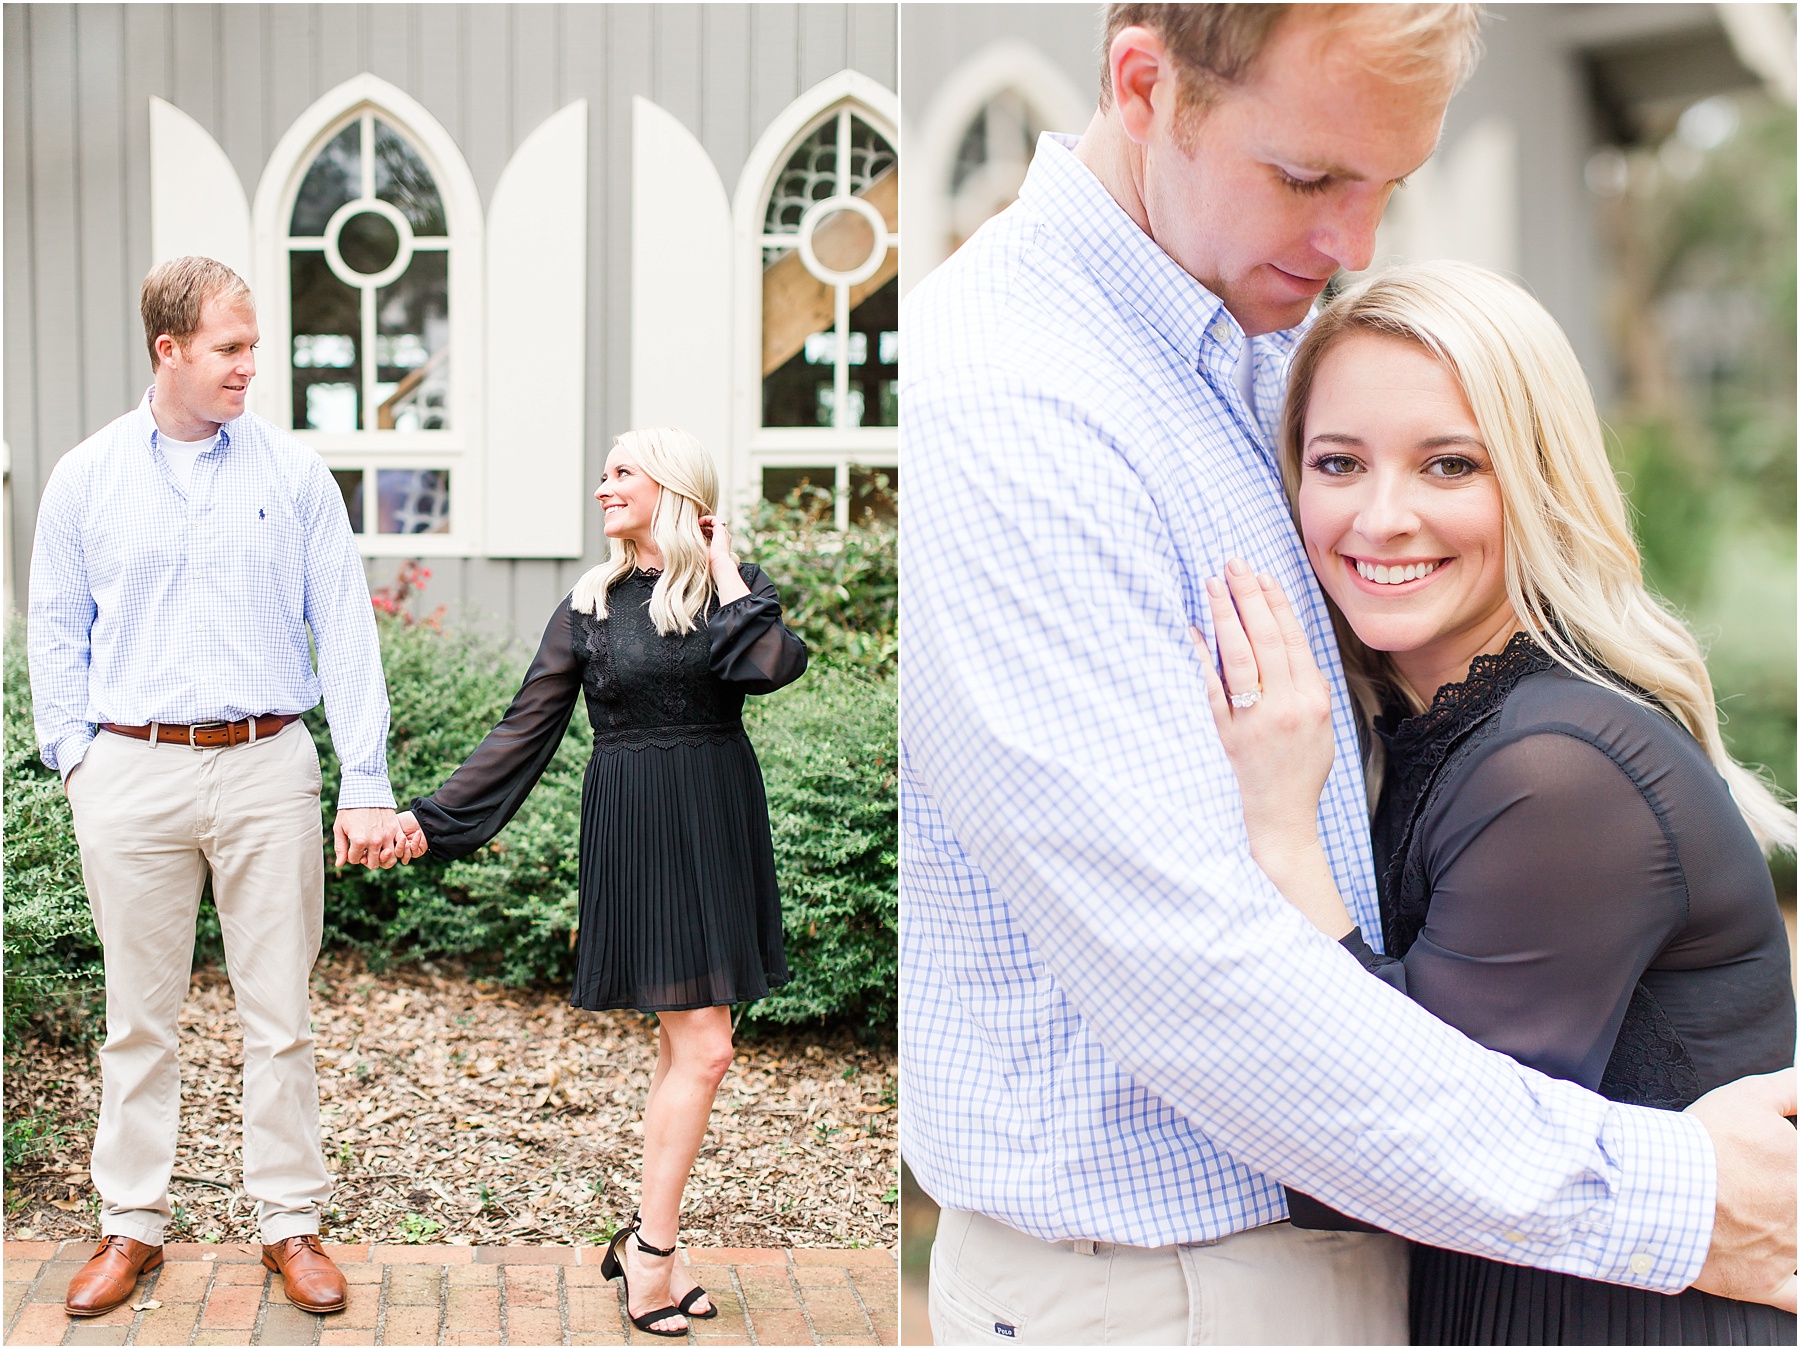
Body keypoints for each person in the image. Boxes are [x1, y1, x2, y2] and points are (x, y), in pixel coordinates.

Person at [899, 5, 1797, 1345]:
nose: (1351, 246)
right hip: (1168, 1294)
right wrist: (1674, 1196)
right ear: (1146, 86)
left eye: (1388, 186)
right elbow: (1188, 977)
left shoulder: (1253, 339)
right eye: (1311, 177)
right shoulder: (1013, 400)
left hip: (1386, 1253)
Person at [1199, 259, 1797, 1345]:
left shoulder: (1560, 770)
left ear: (1536, 475)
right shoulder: (1452, 730)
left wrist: (1285, 832)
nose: (1383, 516)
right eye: (1339, 462)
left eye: (1449, 464)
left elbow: (1377, 1157)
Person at [28, 256, 408, 1320]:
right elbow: (55, 625)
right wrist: (76, 755)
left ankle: (289, 1222)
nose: (253, 366)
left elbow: (344, 624)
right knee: (136, 1017)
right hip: (130, 771)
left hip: (266, 768)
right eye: (231, 348)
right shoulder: (87, 476)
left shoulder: (291, 476)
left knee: (278, 1015)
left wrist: (362, 778)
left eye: (254, 346)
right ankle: (131, 1225)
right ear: (171, 349)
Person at [393, 427, 806, 1337]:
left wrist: (727, 561)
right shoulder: (588, 603)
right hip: (642, 829)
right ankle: (652, 1259)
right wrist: (427, 820)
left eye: (622, 474)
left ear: (672, 487)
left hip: (718, 822)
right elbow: (522, 731)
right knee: (706, 1049)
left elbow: (772, 665)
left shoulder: (728, 597)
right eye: (606, 474)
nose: (603, 488)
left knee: (686, 1049)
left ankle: (645, 1240)